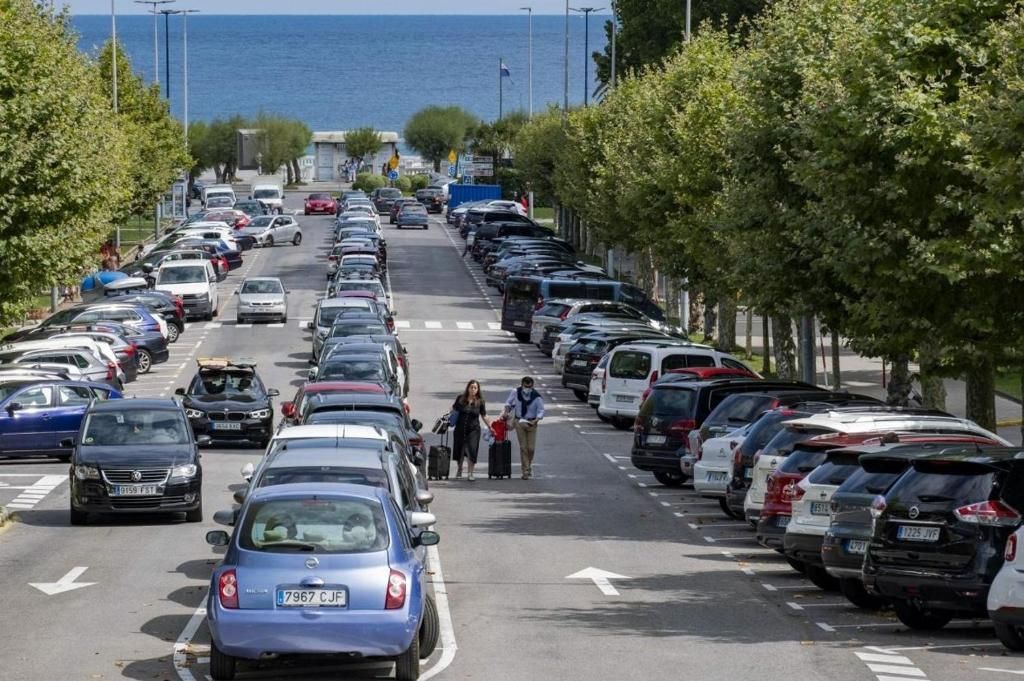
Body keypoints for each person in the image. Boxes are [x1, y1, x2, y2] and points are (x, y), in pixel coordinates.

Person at [503, 376, 545, 479]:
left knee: (531, 448)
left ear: (532, 386)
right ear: (521, 385)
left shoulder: (536, 396)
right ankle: (525, 471)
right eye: (525, 386)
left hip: (531, 423)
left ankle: (528, 465)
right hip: (519, 421)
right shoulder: (515, 392)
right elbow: (508, 403)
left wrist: (536, 420)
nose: (527, 389)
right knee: (523, 447)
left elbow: (541, 410)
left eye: (529, 387)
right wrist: (506, 411)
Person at [451, 379, 491, 481]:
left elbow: (484, 415)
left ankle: (470, 473)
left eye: (475, 388)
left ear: (478, 390)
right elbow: (453, 410)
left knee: (472, 451)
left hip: (474, 430)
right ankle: (459, 469)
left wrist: (491, 426)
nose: (473, 389)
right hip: (460, 428)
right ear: (468, 388)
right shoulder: (460, 399)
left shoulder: (480, 402)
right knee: (459, 450)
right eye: (471, 387)